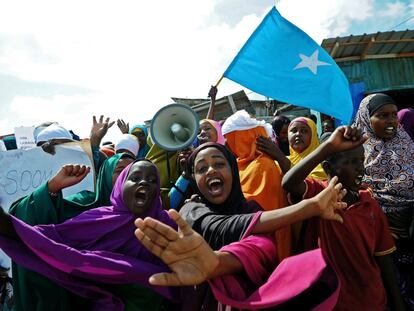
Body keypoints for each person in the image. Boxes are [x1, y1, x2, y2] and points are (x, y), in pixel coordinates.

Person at [0, 160, 178, 310]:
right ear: (119, 185)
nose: (144, 183)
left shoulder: (167, 225)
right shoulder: (97, 217)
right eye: (135, 178)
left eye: (152, 179)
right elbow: (48, 241)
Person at [282, 126, 405, 310]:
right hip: (332, 301)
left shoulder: (369, 204)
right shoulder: (319, 195)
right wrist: (329, 147)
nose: (360, 169)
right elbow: (289, 182)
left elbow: (384, 259)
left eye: (361, 161)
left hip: (370, 300)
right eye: (352, 162)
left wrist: (398, 305)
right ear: (328, 168)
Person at [135, 209, 340, 311]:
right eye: (201, 168)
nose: (210, 170)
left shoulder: (249, 206)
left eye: (219, 163)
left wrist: (216, 262)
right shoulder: (190, 209)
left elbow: (263, 247)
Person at [9, 153, 135, 311]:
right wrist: (53, 187)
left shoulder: (151, 217)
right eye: (121, 170)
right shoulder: (85, 204)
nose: (128, 177)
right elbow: (25, 221)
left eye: (134, 172)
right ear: (106, 174)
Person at [353, 93, 414, 308]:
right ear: (366, 119)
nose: (391, 121)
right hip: (374, 234)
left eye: (394, 115)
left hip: (408, 232)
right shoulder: (356, 150)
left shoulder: (406, 144)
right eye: (382, 115)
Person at [222, 110, 289, 211]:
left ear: (243, 139)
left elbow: (252, 207)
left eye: (229, 139)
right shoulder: (242, 164)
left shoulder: (262, 165)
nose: (225, 145)